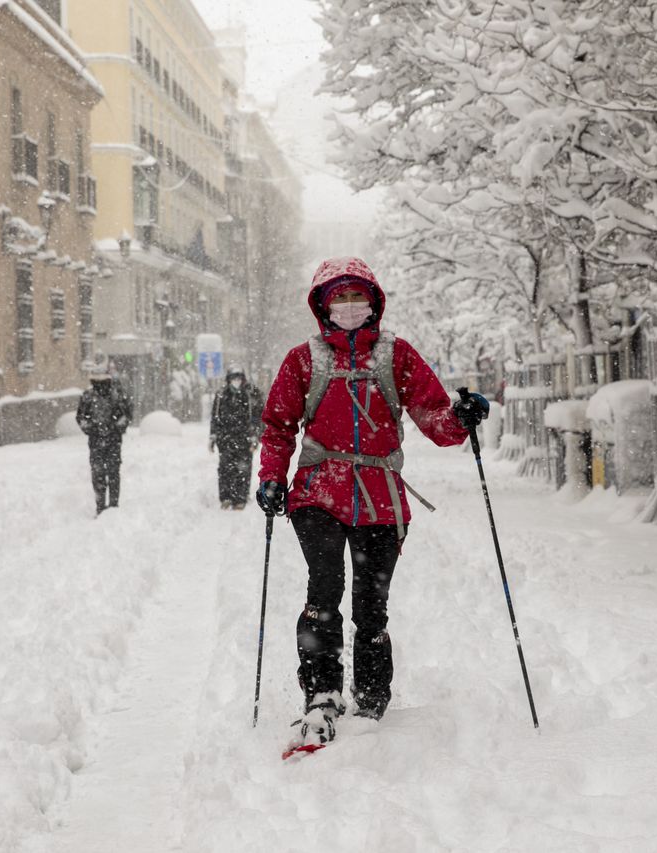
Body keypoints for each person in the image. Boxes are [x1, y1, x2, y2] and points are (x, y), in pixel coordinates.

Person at [256, 256, 490, 750]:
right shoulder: (304, 360)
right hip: (318, 492)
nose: (347, 305)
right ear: (322, 305)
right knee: (324, 593)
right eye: (337, 297)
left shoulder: (395, 356)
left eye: (355, 296)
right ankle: (321, 693)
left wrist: (462, 417)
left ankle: (370, 696)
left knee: (371, 605)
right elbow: (278, 426)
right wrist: (273, 478)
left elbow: (435, 419)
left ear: (373, 302)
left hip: (381, 499)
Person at [76, 368, 132, 515]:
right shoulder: (89, 396)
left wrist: (116, 427)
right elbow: (81, 418)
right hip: (99, 441)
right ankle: (103, 506)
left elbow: (126, 415)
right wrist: (92, 429)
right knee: (101, 474)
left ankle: (111, 506)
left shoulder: (115, 395)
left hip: (111, 441)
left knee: (109, 473)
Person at [209, 367, 263, 509]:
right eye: (234, 378)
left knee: (243, 469)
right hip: (225, 438)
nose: (236, 381)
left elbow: (258, 417)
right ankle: (226, 497)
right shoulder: (221, 395)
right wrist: (213, 436)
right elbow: (215, 417)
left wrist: (256, 436)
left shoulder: (251, 394)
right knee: (225, 468)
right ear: (228, 380)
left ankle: (241, 498)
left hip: (245, 438)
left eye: (239, 378)